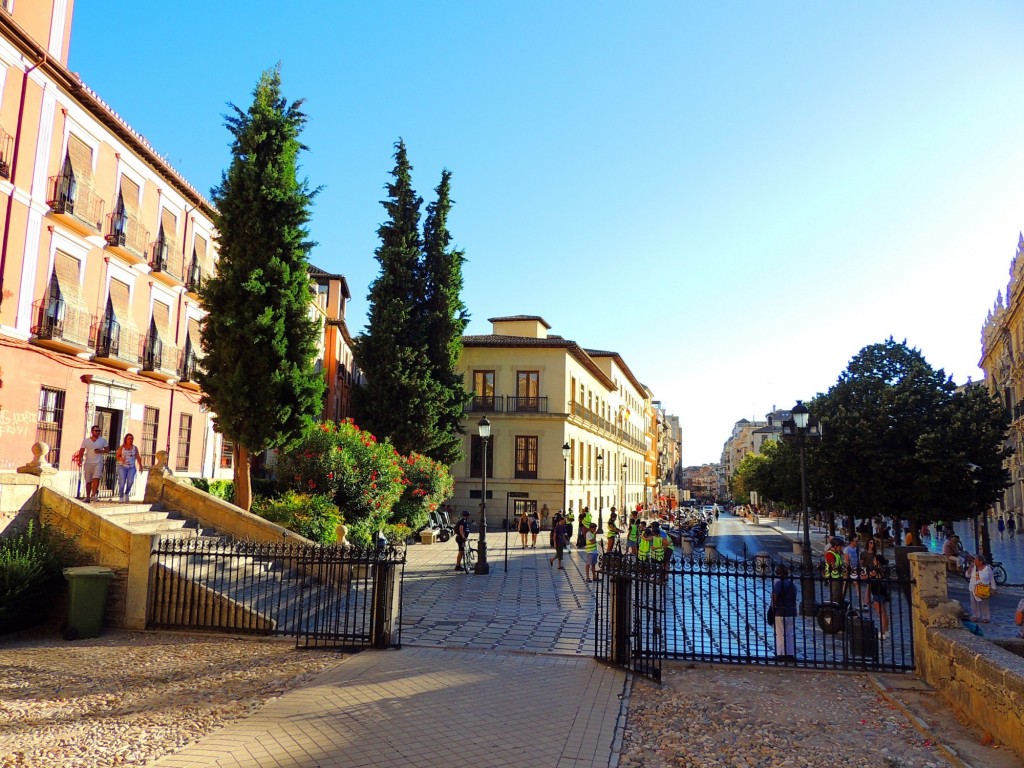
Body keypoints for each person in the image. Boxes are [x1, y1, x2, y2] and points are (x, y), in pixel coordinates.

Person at [75, 425, 109, 503]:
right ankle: (87, 497)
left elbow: (107, 450)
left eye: (98, 431)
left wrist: (100, 451)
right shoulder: (86, 441)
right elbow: (81, 451)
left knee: (96, 478)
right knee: (88, 481)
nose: (97, 432)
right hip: (88, 462)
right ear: (92, 431)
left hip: (98, 462)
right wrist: (80, 460)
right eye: (96, 430)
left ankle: (93, 495)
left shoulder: (103, 440)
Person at [770, 564, 797, 661]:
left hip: (780, 611)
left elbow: (774, 595)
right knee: (790, 633)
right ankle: (790, 654)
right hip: (791, 611)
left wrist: (773, 606)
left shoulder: (779, 583)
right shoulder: (792, 584)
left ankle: (781, 653)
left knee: (780, 633)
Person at [115, 433, 143, 502]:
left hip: (131, 467)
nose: (130, 440)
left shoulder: (134, 448)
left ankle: (127, 493)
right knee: (122, 482)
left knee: (130, 482)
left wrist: (140, 466)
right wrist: (121, 459)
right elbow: (117, 456)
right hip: (122, 466)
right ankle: (121, 497)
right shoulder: (122, 447)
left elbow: (138, 457)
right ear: (126, 439)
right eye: (129, 438)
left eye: (131, 439)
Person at [868, 554, 891, 639]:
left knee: (880, 612)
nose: (873, 560)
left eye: (874, 559)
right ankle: (886, 630)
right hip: (883, 591)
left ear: (877, 561)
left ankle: (883, 631)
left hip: (877, 591)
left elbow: (869, 576)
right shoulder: (884, 568)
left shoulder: (877, 569)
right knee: (883, 611)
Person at [967, 554, 996, 622]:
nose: (974, 562)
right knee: (973, 602)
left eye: (976, 560)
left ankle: (985, 617)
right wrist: (970, 567)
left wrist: (993, 587)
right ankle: (975, 615)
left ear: (981, 561)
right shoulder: (973, 567)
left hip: (984, 588)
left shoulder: (987, 569)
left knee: (984, 603)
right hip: (973, 587)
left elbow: (992, 579)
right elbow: (967, 575)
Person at [823, 537, 846, 604]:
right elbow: (833, 566)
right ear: (835, 546)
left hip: (838, 576)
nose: (841, 548)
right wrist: (841, 569)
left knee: (839, 595)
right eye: (840, 546)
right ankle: (833, 609)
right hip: (833, 577)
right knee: (835, 595)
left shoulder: (837, 553)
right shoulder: (830, 554)